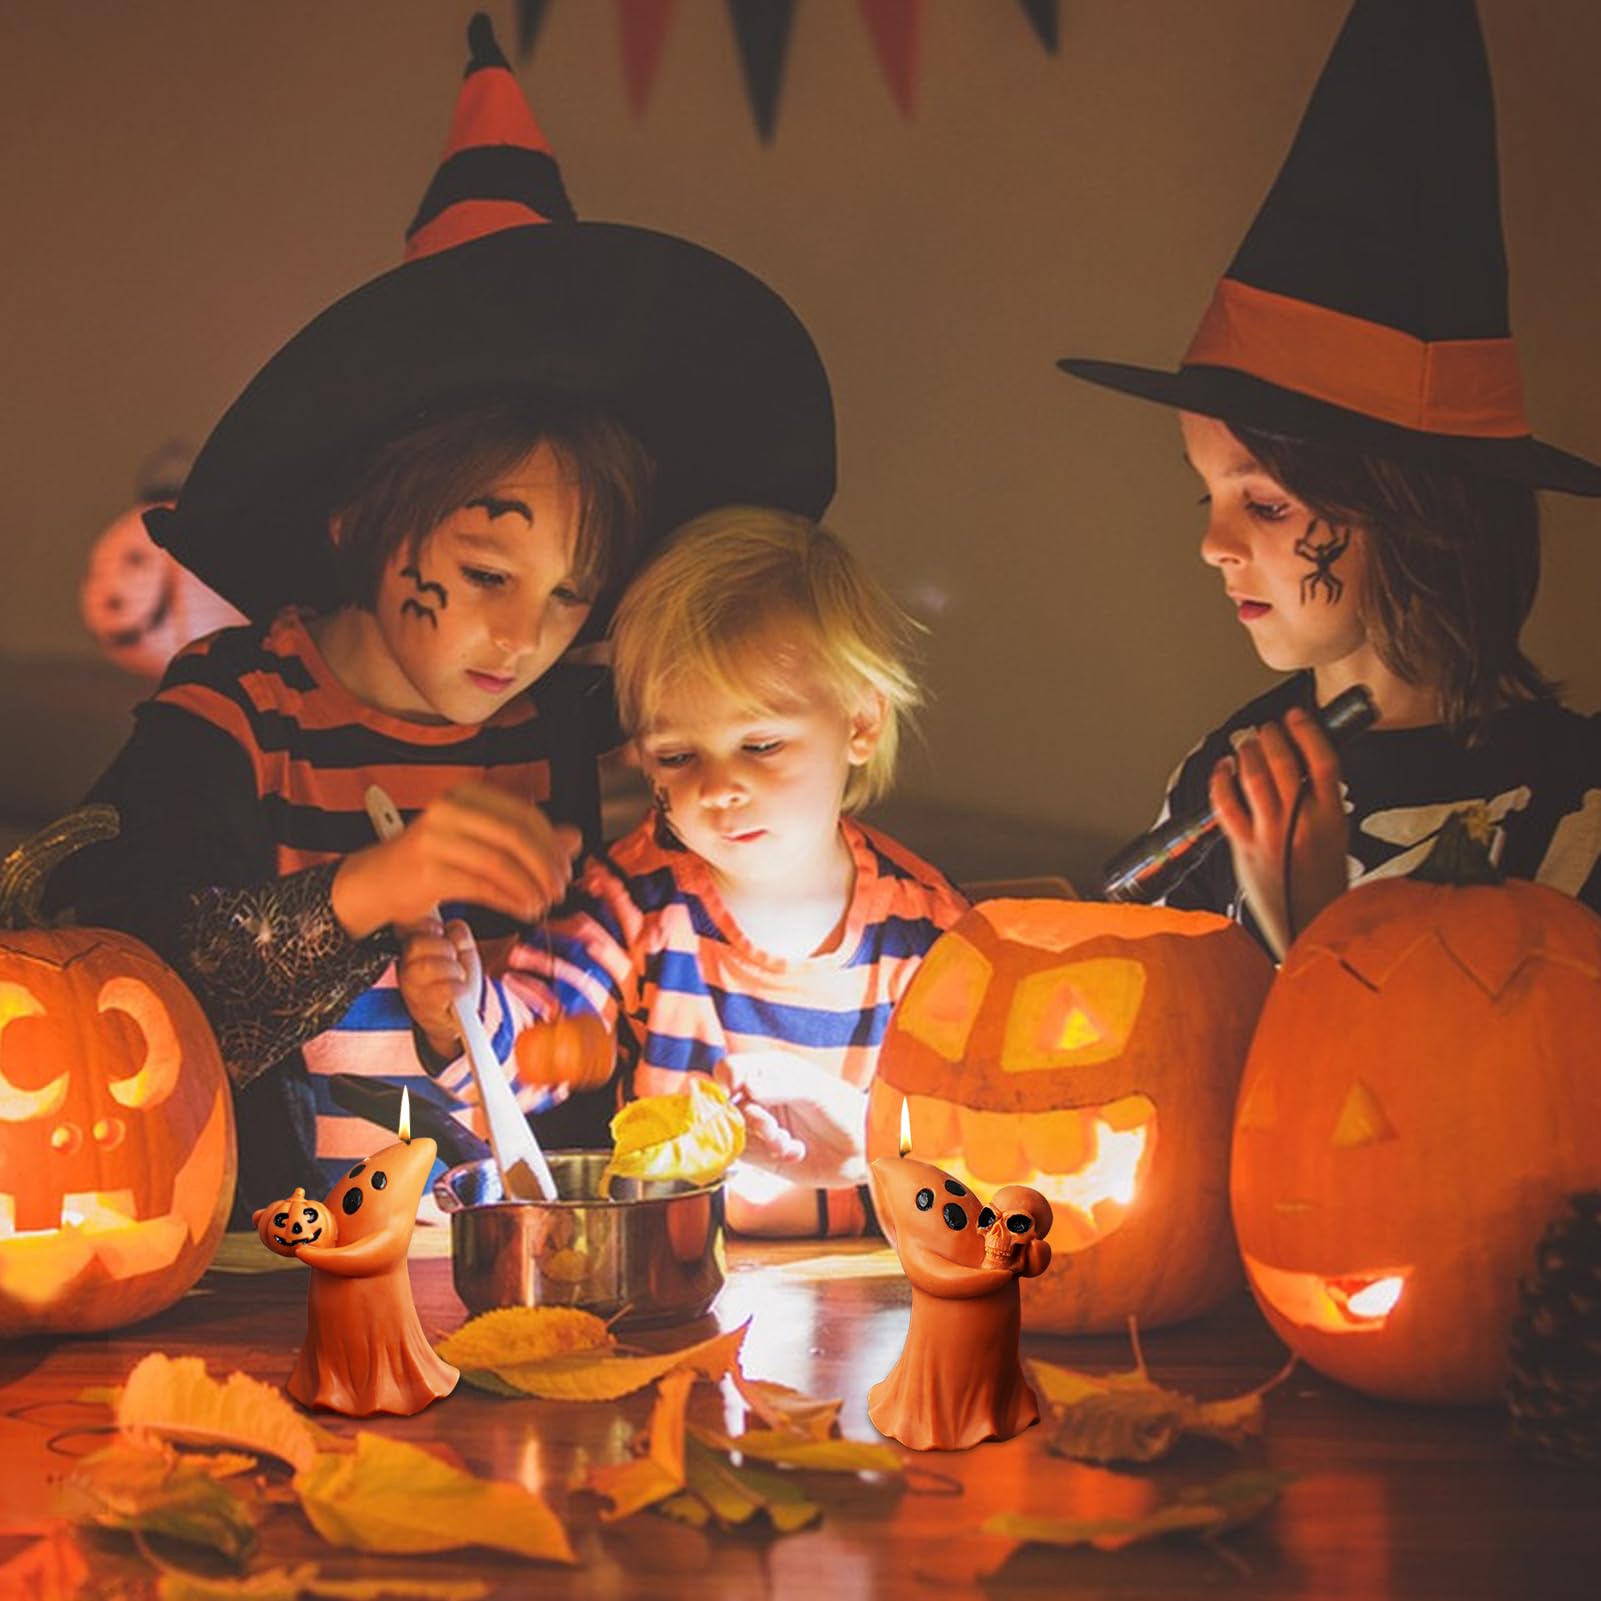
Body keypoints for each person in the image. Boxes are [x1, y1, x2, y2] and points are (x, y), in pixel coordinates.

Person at [49, 16, 835, 1214]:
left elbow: (597, 989)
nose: (524, 639)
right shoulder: (235, 708)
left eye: (573, 593)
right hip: (258, 1267)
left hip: (501, 1257)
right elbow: (116, 979)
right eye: (483, 573)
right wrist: (369, 887)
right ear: (359, 516)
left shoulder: (552, 730)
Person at [1058, 0, 1601, 957]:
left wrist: (1309, 929)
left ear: (1420, 515)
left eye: (1263, 502)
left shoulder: (1571, 802)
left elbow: (1506, 1096)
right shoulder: (1228, 779)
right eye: (1209, 494)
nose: (1212, 545)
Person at [402, 507, 969, 1236]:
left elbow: (982, 1142)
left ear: (859, 723)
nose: (718, 787)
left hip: (877, 1287)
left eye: (760, 744)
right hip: (676, 1283)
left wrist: (875, 1141)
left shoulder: (925, 930)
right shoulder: (631, 897)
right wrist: (461, 1017)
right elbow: (530, 1055)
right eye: (676, 755)